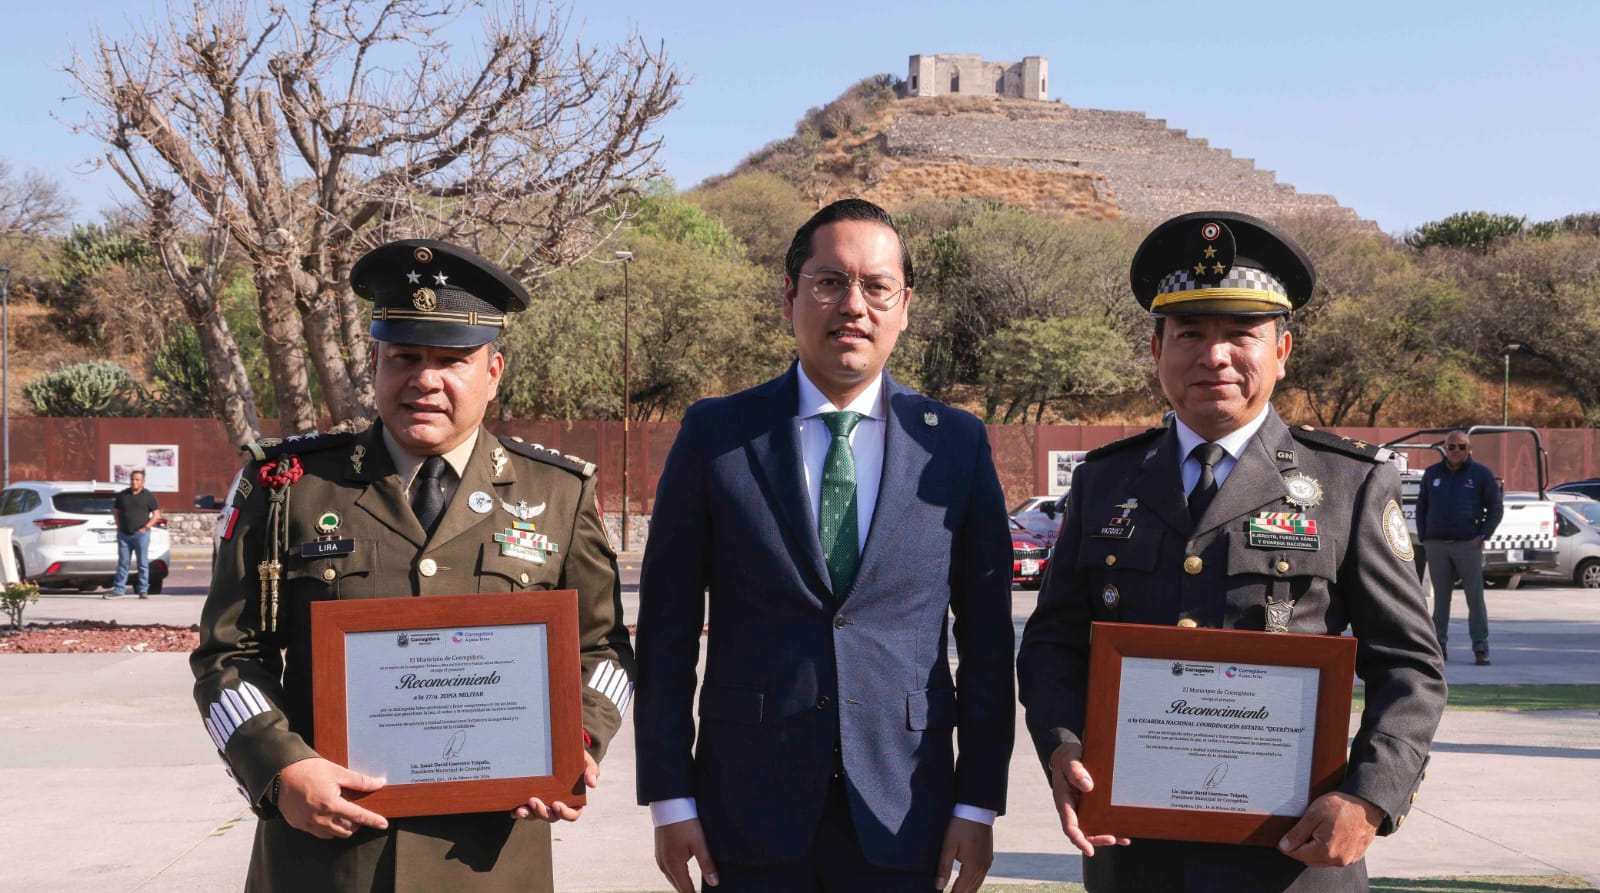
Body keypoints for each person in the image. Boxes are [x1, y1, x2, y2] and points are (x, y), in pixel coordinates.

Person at [1016, 211, 1446, 892]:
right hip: (1135, 854)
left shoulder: (1348, 484)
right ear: (1156, 348)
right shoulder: (1104, 481)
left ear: (1283, 349)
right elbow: (1051, 643)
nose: (1214, 356)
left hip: (1295, 857)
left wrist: (1370, 797)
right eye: (1190, 333)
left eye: (1241, 333)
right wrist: (1062, 740)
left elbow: (1412, 667)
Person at [190, 239, 635, 893]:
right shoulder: (288, 487)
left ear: (494, 370)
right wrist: (280, 769)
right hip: (325, 860)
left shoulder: (557, 495)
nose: (426, 379)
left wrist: (576, 742)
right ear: (374, 361)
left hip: (487, 863)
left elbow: (605, 652)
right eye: (405, 356)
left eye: (453, 359)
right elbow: (227, 656)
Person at [634, 198, 1015, 893]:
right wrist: (670, 795)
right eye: (829, 282)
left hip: (908, 814)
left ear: (905, 306)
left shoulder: (955, 443)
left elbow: (989, 644)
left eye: (877, 287)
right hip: (744, 815)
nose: (853, 305)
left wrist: (976, 799)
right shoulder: (716, 435)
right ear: (790, 296)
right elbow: (665, 631)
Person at [1415, 429, 1503, 665]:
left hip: (1468, 545)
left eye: (1461, 447)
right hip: (1437, 545)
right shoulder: (1432, 473)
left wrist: (1483, 535)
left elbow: (1495, 508)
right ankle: (1438, 648)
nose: (1456, 451)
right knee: (1441, 600)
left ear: (1469, 449)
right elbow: (1422, 506)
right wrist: (1425, 535)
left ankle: (1481, 649)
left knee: (1475, 599)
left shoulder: (1481, 474)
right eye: (1451, 447)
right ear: (1445, 449)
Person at [108, 469, 161, 598]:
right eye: (132, 479)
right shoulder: (123, 495)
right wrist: (119, 526)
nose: (134, 482)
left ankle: (143, 590)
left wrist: (146, 527)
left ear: (143, 482)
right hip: (124, 534)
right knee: (123, 562)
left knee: (142, 563)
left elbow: (156, 514)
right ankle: (119, 589)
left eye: (137, 479)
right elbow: (116, 511)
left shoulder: (148, 496)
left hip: (141, 534)